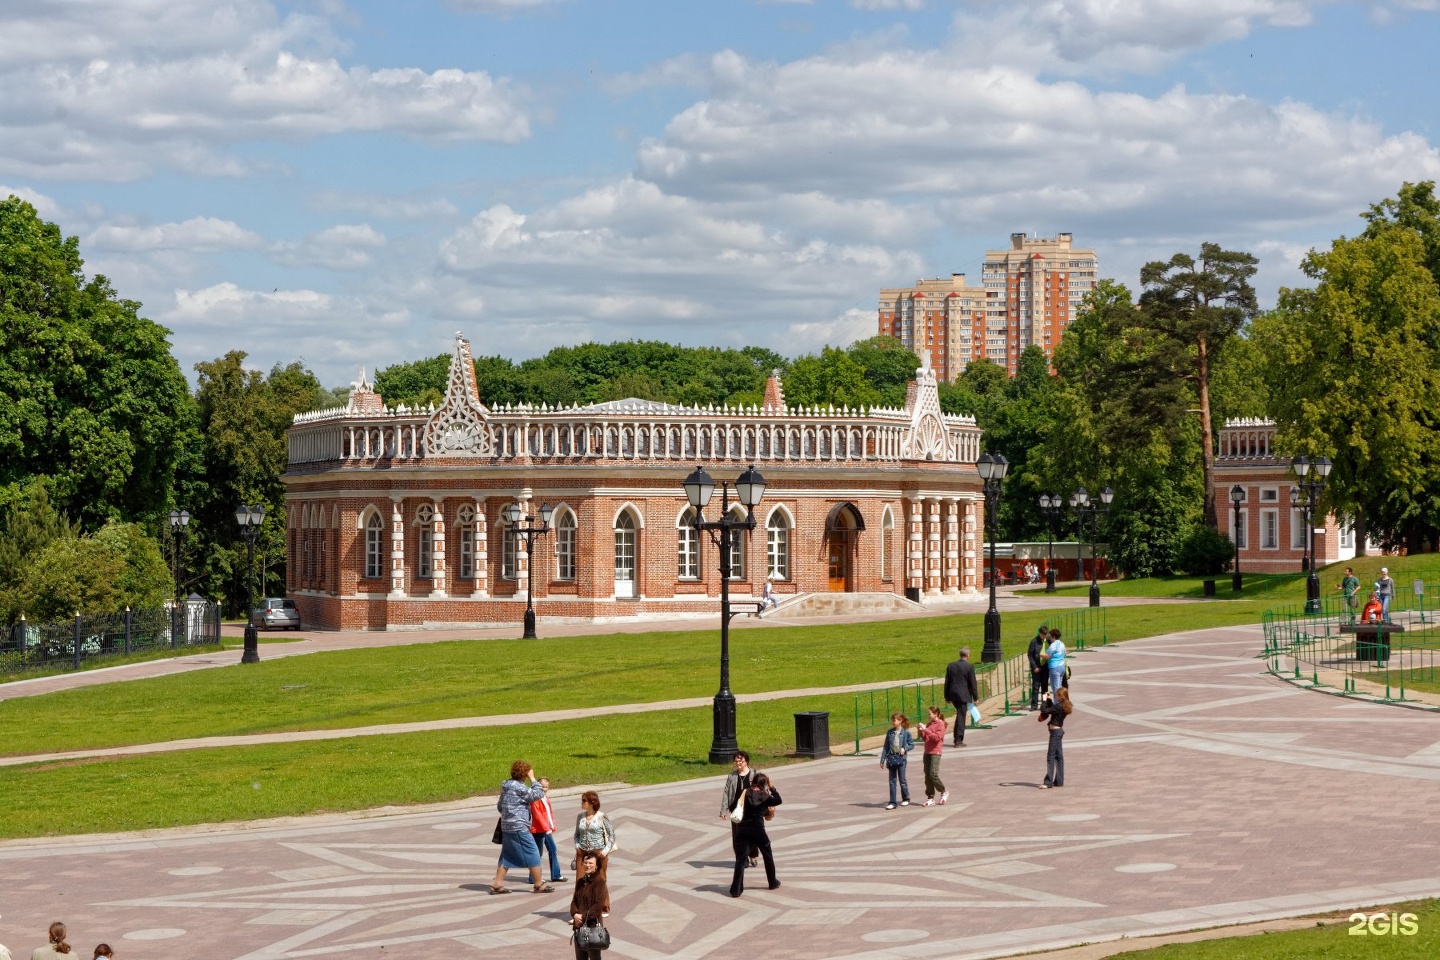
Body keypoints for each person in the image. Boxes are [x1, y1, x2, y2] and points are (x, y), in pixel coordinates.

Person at [489, 760, 553, 895]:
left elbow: (500, 806)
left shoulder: (506, 786)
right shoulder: (520, 787)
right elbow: (537, 794)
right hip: (519, 826)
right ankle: (538, 883)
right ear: (524, 774)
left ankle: (497, 884)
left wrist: (509, 815)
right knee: (533, 852)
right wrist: (533, 778)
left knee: (506, 854)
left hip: (506, 826)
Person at [728, 772, 782, 897]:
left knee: (740, 860)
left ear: (753, 782)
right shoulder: (765, 796)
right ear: (764, 784)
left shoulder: (744, 793)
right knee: (767, 854)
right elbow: (778, 800)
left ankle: (736, 889)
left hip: (743, 830)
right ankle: (772, 882)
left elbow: (732, 807)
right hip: (758, 830)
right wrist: (772, 787)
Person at [720, 751, 761, 867]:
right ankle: (742, 858)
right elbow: (726, 793)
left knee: (752, 834)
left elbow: (763, 790)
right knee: (737, 836)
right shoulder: (732, 776)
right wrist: (723, 810)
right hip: (736, 810)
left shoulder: (755, 774)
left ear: (746, 761)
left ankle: (752, 855)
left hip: (751, 810)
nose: (738, 763)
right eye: (736, 761)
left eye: (740, 761)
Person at [569, 849, 610, 960]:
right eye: (585, 863)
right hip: (579, 926)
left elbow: (598, 905)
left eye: (590, 863)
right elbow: (574, 901)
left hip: (592, 926)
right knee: (580, 957)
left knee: (594, 957)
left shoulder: (599, 881)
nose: (587, 865)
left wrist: (583, 917)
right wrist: (575, 914)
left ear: (596, 866)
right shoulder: (580, 881)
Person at [530, 777, 565, 884]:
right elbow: (537, 816)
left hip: (546, 829)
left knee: (553, 849)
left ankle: (555, 875)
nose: (545, 789)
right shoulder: (535, 799)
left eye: (546, 787)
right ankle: (533, 878)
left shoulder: (546, 798)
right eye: (542, 786)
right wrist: (547, 828)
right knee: (537, 854)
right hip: (539, 830)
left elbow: (549, 814)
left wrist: (551, 826)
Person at [1037, 686, 1072, 789]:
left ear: (1061, 696)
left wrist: (1043, 700)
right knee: (1058, 756)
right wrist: (1048, 699)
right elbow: (1052, 709)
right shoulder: (1064, 705)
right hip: (1058, 731)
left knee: (1051, 756)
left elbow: (1044, 710)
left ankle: (1048, 782)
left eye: (1057, 695)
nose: (1056, 696)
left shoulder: (1059, 706)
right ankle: (1059, 780)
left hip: (1055, 733)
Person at [914, 704, 948, 806]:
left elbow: (937, 738)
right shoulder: (929, 724)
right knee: (927, 776)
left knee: (933, 774)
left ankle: (943, 791)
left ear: (936, 714)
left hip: (935, 752)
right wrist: (921, 731)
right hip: (927, 752)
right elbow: (926, 739)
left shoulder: (940, 724)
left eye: (930, 714)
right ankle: (930, 797)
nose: (928, 716)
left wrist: (926, 730)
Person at [944, 647, 979, 746]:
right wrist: (975, 697)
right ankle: (958, 740)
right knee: (961, 716)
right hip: (963, 695)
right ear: (968, 655)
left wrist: (946, 696)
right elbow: (973, 683)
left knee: (960, 714)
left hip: (953, 694)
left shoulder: (951, 666)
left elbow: (947, 681)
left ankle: (957, 737)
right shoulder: (969, 667)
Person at [880, 712, 914, 809]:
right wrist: (882, 759)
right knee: (892, 780)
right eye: (893, 720)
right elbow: (886, 746)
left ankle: (906, 798)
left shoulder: (906, 732)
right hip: (891, 758)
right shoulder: (890, 732)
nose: (893, 722)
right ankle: (892, 802)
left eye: (895, 720)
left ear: (900, 721)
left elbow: (912, 744)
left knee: (902, 779)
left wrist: (905, 748)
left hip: (901, 759)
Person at [573, 790, 617, 862]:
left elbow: (612, 834)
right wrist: (577, 847)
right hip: (582, 853)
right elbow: (577, 834)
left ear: (592, 803)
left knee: (599, 874)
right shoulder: (580, 816)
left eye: (584, 801)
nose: (582, 802)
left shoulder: (601, 816)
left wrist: (605, 851)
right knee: (580, 874)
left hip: (598, 853)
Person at [1027, 626, 1048, 710]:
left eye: (1045, 635)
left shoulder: (1048, 640)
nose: (1044, 637)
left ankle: (1045, 704)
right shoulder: (1034, 642)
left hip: (1045, 667)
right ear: (1040, 633)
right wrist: (1034, 666)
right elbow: (1030, 654)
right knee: (1036, 686)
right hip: (1037, 667)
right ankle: (1034, 705)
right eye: (1043, 635)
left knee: (1045, 687)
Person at [1046, 629, 1067, 694]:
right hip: (1062, 666)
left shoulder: (1053, 645)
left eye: (1051, 636)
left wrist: (1039, 654)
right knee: (1059, 687)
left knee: (1056, 689)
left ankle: (1057, 703)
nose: (1050, 637)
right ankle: (1060, 702)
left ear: (1054, 636)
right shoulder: (1062, 644)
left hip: (1054, 667)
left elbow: (1048, 656)